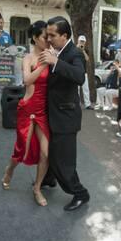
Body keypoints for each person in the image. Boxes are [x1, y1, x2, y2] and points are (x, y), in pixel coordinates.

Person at [38, 16, 90, 211]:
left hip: (66, 118)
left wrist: (55, 62)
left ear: (64, 35)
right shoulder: (57, 50)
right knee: (52, 152)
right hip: (54, 114)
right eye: (47, 34)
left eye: (52, 35)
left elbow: (78, 76)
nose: (48, 38)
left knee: (64, 161)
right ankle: (50, 179)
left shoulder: (74, 53)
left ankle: (80, 193)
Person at [1, 21, 50, 207]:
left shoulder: (51, 56)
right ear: (36, 38)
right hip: (28, 108)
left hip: (44, 110)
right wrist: (44, 64)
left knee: (45, 153)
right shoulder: (28, 58)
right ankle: (10, 169)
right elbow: (27, 80)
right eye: (45, 37)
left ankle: (37, 188)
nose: (48, 40)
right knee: (22, 148)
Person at [77, 35, 94, 109]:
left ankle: (87, 104)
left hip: (84, 72)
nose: (82, 43)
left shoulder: (85, 50)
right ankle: (77, 104)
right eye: (81, 41)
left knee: (86, 89)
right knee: (76, 89)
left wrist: (83, 50)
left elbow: (87, 59)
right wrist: (78, 48)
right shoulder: (74, 49)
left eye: (83, 42)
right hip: (76, 72)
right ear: (78, 41)